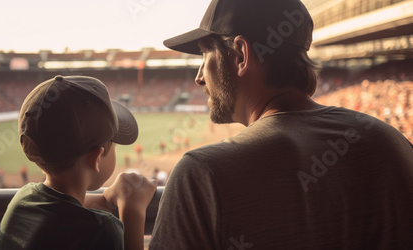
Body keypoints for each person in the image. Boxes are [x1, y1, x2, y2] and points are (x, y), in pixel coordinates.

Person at [150, 0, 413, 249]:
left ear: (241, 55)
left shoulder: (201, 175)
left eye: (205, 53)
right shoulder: (392, 143)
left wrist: (130, 212)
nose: (199, 77)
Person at [0, 76, 157, 250]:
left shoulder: (23, 199)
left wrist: (108, 198)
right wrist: (133, 211)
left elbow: (62, 208)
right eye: (114, 147)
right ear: (96, 159)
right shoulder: (101, 230)